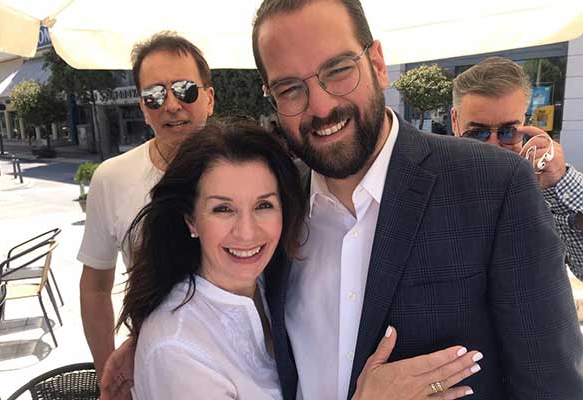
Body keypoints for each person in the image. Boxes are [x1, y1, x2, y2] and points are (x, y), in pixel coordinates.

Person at [251, 0, 583, 399]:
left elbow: (551, 386)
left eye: (338, 70)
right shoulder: (274, 207)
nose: (321, 106)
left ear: (377, 64)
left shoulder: (494, 185)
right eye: (290, 88)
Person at [116, 120, 483, 399]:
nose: (247, 232)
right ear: (190, 220)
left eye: (263, 205)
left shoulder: (274, 281)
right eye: (223, 209)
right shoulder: (177, 350)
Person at [77, 31, 214, 381]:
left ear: (209, 98)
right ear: (143, 107)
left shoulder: (247, 171)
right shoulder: (112, 178)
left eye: (185, 89)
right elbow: (95, 286)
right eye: (155, 95)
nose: (172, 105)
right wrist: (108, 372)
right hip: (156, 371)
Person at [451, 56, 583, 280]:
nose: (492, 146)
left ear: (525, 123)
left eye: (507, 131)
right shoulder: (428, 182)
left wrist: (560, 182)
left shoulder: (544, 181)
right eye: (477, 133)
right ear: (455, 121)